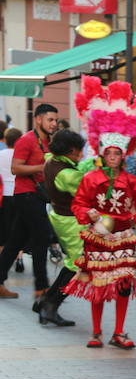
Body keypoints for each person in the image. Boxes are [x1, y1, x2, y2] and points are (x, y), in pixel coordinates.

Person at [66, 77, 136, 348]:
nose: (114, 157)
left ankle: (119, 331)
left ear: (123, 155)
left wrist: (131, 221)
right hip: (97, 238)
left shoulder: (131, 181)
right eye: (110, 153)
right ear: (103, 154)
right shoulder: (92, 178)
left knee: (122, 285)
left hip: (123, 240)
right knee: (98, 285)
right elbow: (78, 205)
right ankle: (96, 332)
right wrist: (91, 215)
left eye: (118, 153)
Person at [0, 104, 58, 301]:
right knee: (42, 237)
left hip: (38, 195)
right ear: (38, 119)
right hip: (25, 195)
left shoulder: (50, 141)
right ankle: (41, 287)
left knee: (15, 242)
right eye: (50, 119)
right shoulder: (26, 140)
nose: (54, 123)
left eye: (55, 120)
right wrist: (42, 167)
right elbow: (15, 168)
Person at [40, 129, 95, 327]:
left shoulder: (51, 160)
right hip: (70, 221)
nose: (81, 155)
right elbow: (86, 191)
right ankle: (51, 306)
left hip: (60, 216)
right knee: (77, 264)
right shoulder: (67, 174)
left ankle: (46, 303)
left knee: (74, 263)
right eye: (79, 151)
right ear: (70, 150)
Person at [0, 127, 22, 251]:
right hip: (18, 192)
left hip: (3, 195)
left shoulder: (0, 155)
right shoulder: (21, 156)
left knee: (3, 229)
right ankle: (19, 257)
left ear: (5, 139)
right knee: (18, 228)